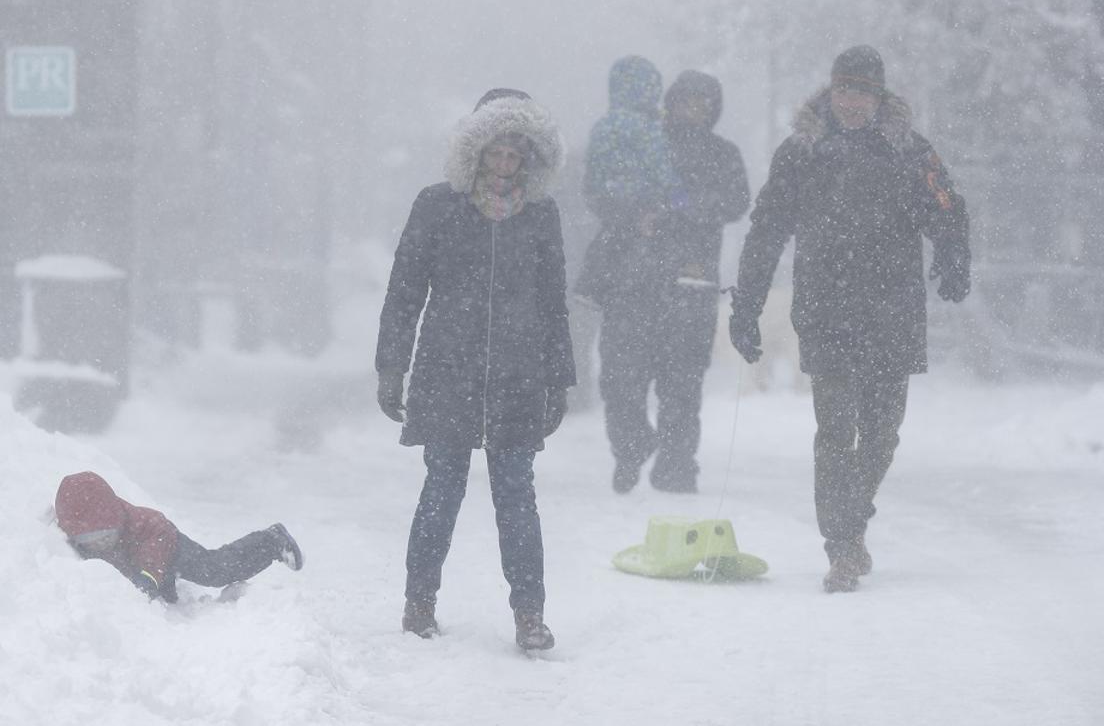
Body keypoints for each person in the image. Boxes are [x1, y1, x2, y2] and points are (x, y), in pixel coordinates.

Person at [728, 45, 971, 593]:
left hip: (893, 309)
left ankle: (851, 519)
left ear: (879, 97)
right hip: (826, 308)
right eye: (843, 90)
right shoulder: (802, 153)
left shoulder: (907, 150)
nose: (852, 102)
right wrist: (746, 305)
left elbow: (948, 206)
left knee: (883, 435)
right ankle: (841, 546)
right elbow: (766, 229)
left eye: (862, 91)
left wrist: (956, 255)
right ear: (830, 92)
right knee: (836, 432)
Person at [375, 88, 573, 651]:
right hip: (446, 372)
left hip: (517, 377)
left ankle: (530, 615)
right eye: (495, 152)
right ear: (475, 150)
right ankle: (419, 603)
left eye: (516, 153)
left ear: (530, 157)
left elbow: (552, 299)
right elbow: (405, 290)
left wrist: (559, 378)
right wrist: (392, 365)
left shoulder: (541, 215)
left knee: (516, 495)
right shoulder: (437, 205)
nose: (505, 164)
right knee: (442, 490)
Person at [580, 56, 746, 494]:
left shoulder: (723, 154)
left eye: (704, 103)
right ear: (669, 102)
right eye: (686, 100)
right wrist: (635, 212)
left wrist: (684, 208)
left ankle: (676, 469)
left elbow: (735, 202)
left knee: (682, 385)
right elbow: (599, 190)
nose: (694, 109)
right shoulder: (638, 136)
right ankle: (632, 446)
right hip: (630, 282)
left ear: (714, 109)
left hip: (690, 285)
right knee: (619, 380)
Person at [55, 471, 303, 602]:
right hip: (137, 562)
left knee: (214, 571)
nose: (100, 543)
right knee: (165, 596)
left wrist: (150, 576)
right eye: (91, 539)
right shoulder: (73, 533)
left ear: (116, 522)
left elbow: (153, 554)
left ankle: (271, 541)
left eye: (106, 535)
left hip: (167, 545)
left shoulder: (145, 525)